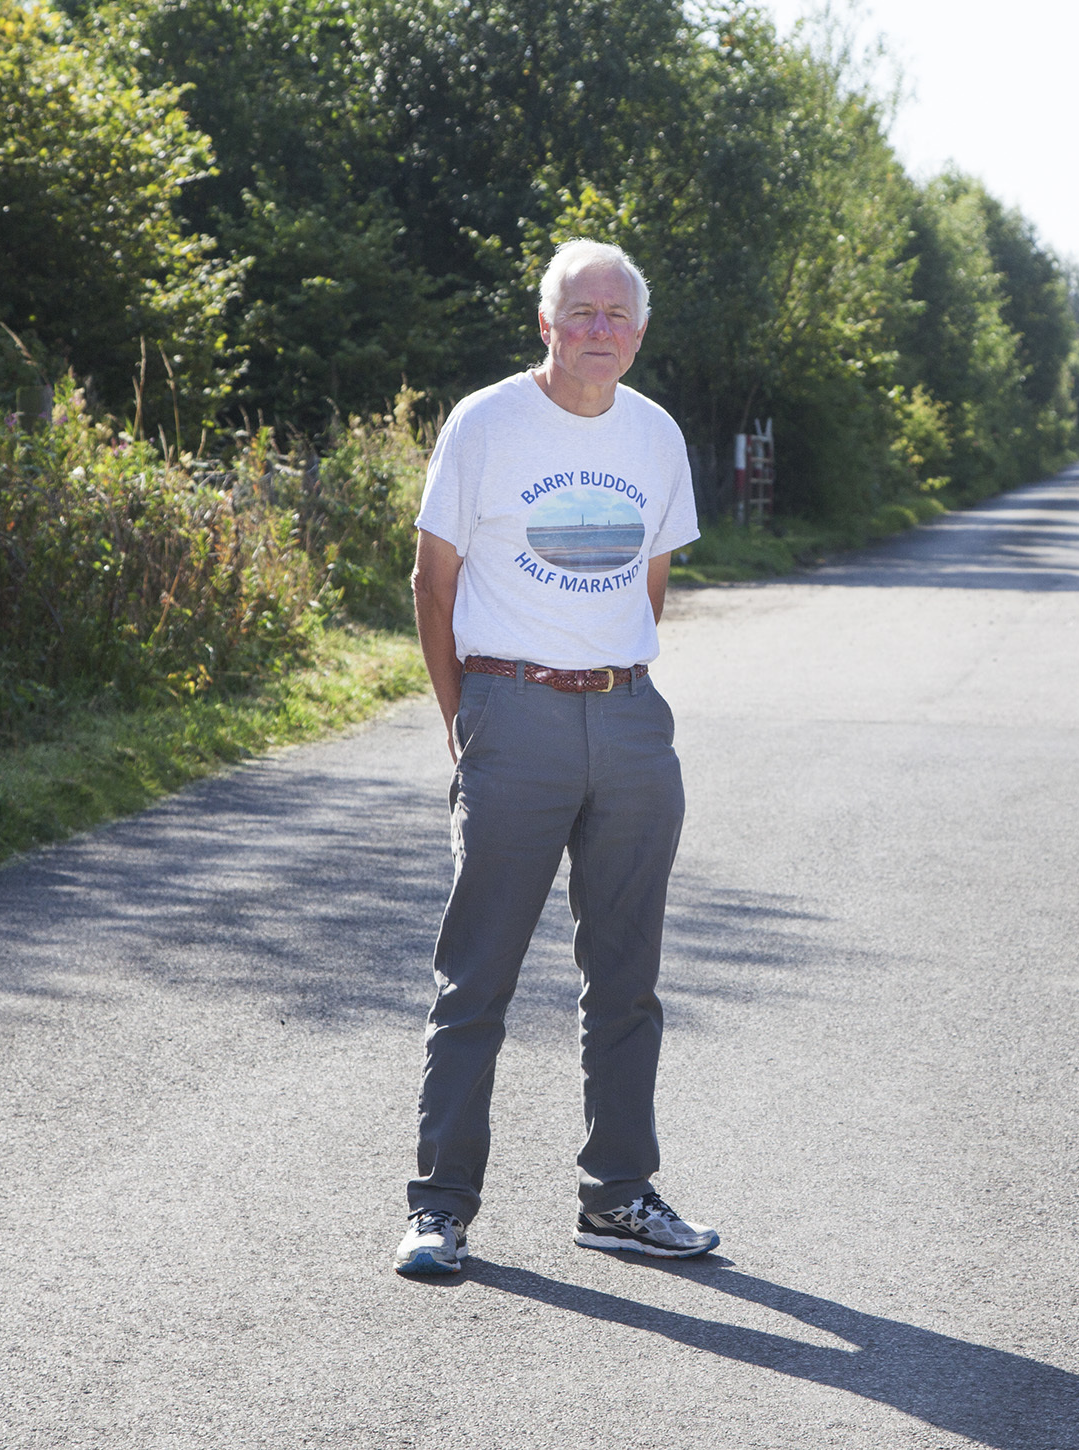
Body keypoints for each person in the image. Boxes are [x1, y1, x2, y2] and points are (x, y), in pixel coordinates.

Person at [394, 239, 717, 1275]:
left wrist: (613, 678)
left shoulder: (656, 434)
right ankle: (440, 1205)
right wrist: (465, 716)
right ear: (545, 322)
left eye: (615, 315)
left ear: (640, 330)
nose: (597, 331)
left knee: (626, 980)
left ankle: (617, 1194)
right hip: (512, 712)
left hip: (629, 722)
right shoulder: (486, 423)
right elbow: (430, 580)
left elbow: (648, 583)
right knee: (475, 977)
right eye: (578, 312)